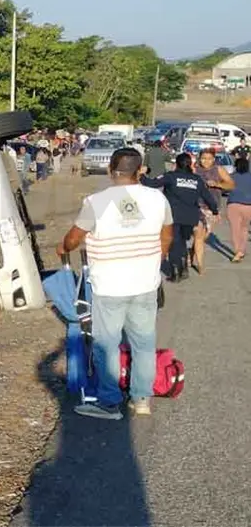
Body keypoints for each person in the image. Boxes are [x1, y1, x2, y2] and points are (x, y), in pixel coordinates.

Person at [57, 148, 173, 420]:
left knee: (106, 345)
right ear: (140, 170)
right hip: (145, 283)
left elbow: (73, 240)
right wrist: (155, 259)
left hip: (109, 286)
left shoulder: (97, 202)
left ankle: (109, 403)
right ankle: (141, 399)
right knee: (143, 343)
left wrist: (63, 248)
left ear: (110, 170)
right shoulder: (158, 198)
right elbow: (166, 235)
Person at [143, 153, 218, 281]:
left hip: (173, 216)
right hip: (190, 218)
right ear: (190, 164)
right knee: (181, 241)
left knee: (174, 243)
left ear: (176, 164)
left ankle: (176, 271)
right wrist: (215, 210)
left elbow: (152, 183)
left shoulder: (171, 176)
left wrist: (141, 175)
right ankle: (183, 268)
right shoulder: (197, 180)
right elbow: (208, 197)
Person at [193, 149, 234, 274]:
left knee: (204, 235)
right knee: (199, 234)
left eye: (209, 158)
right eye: (203, 158)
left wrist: (217, 184)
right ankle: (200, 265)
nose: (206, 161)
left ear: (214, 159)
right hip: (196, 205)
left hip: (213, 207)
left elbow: (231, 185)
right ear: (199, 158)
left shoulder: (219, 169)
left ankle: (192, 251)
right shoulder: (195, 169)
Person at [227, 157, 251, 262]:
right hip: (248, 205)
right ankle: (242, 249)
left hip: (233, 204)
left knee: (235, 229)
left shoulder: (231, 177)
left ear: (236, 166)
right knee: (244, 228)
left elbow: (224, 188)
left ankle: (237, 251)